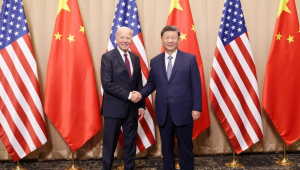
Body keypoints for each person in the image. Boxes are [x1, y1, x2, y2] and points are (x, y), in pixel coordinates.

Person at [132, 25, 202, 170]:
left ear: (178, 40)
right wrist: (140, 94)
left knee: (185, 147)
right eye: (167, 37)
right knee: (166, 148)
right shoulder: (156, 61)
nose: (170, 40)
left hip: (184, 111)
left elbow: (196, 85)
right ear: (162, 40)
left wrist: (196, 108)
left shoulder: (189, 59)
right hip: (163, 112)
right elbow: (151, 83)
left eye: (173, 38)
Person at [101, 26, 145, 170]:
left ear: (131, 39)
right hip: (113, 109)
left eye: (128, 38)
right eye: (122, 37)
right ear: (116, 38)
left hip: (132, 109)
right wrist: (128, 95)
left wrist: (141, 105)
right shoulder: (108, 57)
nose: (125, 41)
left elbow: (138, 83)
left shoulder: (135, 58)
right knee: (109, 144)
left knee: (131, 143)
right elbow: (107, 84)